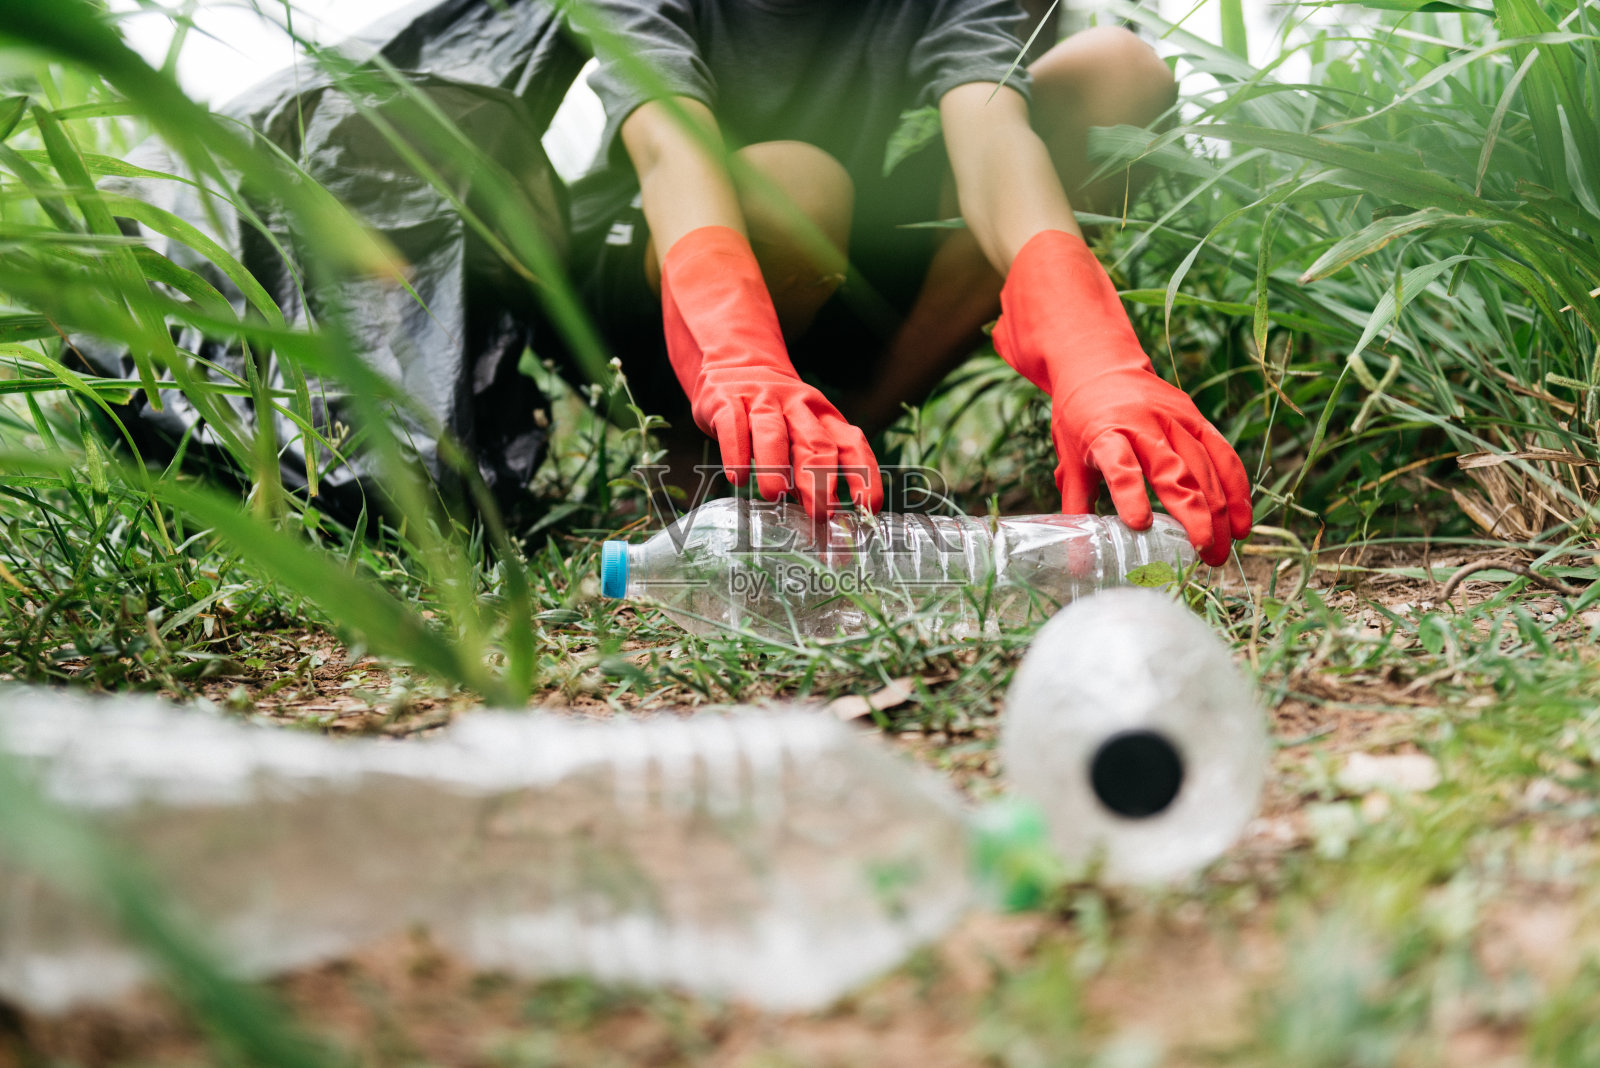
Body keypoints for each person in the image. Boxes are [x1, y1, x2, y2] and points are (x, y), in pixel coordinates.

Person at [563, 0, 1252, 566]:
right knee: (799, 187)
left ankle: (847, 433)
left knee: (1115, 74)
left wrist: (1091, 349)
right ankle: (704, 454)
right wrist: (741, 354)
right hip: (654, 287)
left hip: (842, 264)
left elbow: (992, 139)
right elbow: (668, 147)